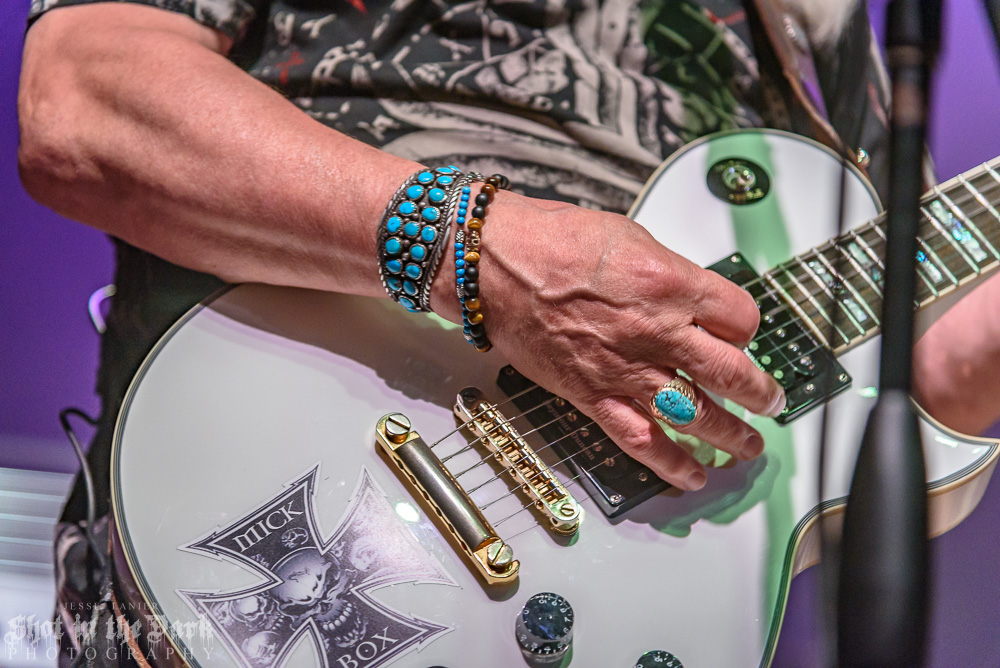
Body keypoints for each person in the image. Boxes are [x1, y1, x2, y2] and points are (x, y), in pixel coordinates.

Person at [16, 0, 1000, 663]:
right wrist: (479, 252)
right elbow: (85, 102)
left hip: (647, 599)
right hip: (321, 436)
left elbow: (884, 389)